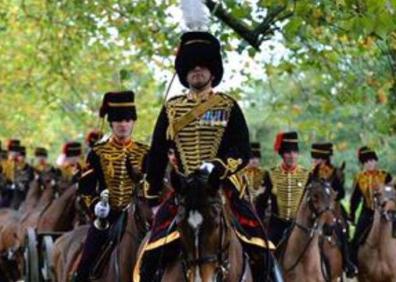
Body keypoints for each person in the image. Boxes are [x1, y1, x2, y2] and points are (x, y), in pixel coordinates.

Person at [135, 31, 274, 282]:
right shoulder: (171, 109)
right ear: (184, 72)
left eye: (203, 65)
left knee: (261, 246)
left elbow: (242, 149)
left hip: (222, 187)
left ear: (213, 71)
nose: (197, 70)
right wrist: (152, 192)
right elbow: (157, 153)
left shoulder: (228, 106)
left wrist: (217, 168)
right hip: (184, 190)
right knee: (150, 253)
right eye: (191, 66)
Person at [74, 91, 149, 282]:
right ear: (111, 124)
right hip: (108, 216)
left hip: (141, 216)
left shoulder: (145, 152)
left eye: (127, 120)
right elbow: (86, 188)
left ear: (133, 122)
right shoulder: (97, 152)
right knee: (87, 259)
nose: (123, 124)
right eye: (118, 120)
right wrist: (96, 205)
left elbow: (155, 184)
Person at [310, 142, 357, 277]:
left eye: (317, 158)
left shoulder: (335, 172)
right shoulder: (311, 172)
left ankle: (348, 262)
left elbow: (341, 193)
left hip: (333, 207)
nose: (315, 161)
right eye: (315, 158)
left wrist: (332, 192)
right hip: (315, 206)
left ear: (324, 158)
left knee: (342, 229)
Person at [255, 131, 310, 246]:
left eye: (295, 152)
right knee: (265, 253)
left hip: (299, 225)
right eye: (288, 152)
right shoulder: (271, 174)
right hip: (277, 225)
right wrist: (258, 224)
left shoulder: (307, 175)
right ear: (282, 154)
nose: (292, 156)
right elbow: (262, 202)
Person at [349, 146, 392, 267]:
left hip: (386, 211)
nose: (369, 164)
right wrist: (352, 214)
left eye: (371, 160)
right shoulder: (359, 178)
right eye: (366, 162)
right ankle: (353, 265)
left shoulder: (385, 175)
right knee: (357, 237)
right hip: (367, 212)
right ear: (363, 164)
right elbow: (355, 199)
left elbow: (392, 194)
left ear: (376, 161)